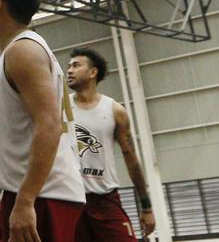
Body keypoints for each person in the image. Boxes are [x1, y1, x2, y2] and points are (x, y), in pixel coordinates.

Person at [0, 0, 85, 242]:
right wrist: (10, 194)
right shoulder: (17, 52)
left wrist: (25, 199)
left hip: (43, 195)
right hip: (33, 192)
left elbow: (49, 125)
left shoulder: (23, 51)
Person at [66, 48, 155, 242]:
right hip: (70, 201)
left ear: (93, 72)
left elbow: (131, 159)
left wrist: (146, 206)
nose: (69, 70)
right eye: (68, 66)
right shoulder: (59, 107)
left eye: (76, 65)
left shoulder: (115, 110)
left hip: (105, 201)